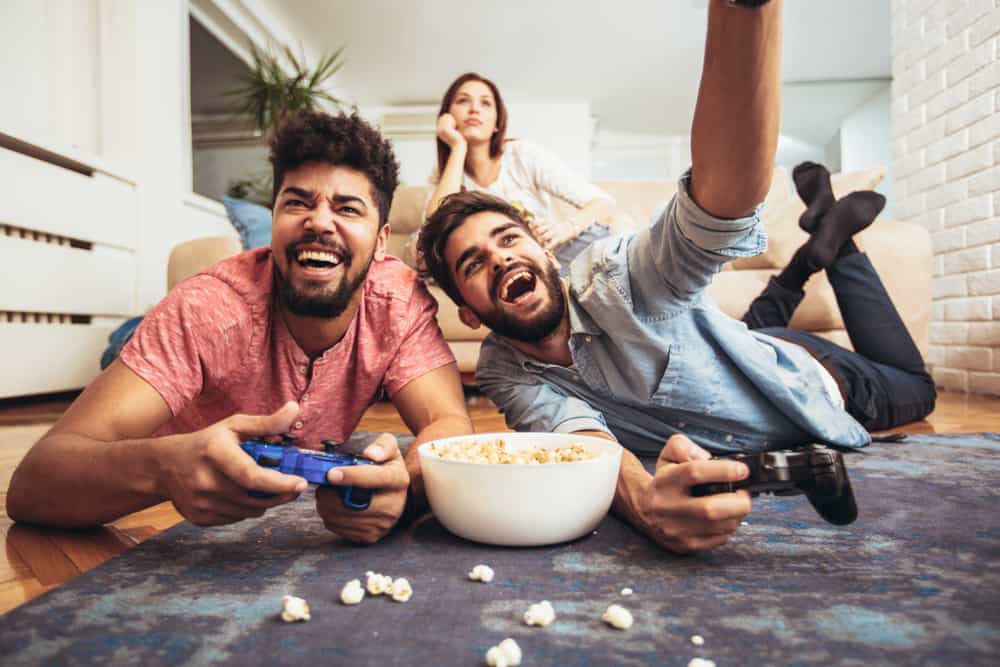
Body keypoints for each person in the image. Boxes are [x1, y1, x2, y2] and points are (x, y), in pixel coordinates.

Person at [417, 0, 935, 554]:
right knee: (743, 329)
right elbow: (583, 445)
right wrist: (645, 503)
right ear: (468, 313)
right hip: (745, 348)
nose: (498, 258)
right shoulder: (502, 367)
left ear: (548, 254)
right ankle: (813, 253)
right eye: (473, 263)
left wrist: (746, 12)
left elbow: (715, 212)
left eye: (510, 238)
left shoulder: (615, 277)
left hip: (820, 379)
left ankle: (839, 250)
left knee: (917, 388)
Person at [7, 111, 472, 544]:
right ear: (273, 220)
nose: (319, 221)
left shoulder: (399, 301)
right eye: (297, 202)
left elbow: (448, 422)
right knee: (127, 351)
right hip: (160, 416)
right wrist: (166, 467)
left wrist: (402, 488)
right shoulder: (208, 307)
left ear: (382, 240)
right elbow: (33, 484)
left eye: (348, 209)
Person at [421, 71, 616, 274]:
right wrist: (458, 147)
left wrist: (562, 230)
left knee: (602, 238)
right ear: (447, 117)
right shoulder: (446, 174)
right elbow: (435, 232)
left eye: (485, 103)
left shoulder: (522, 155)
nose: (474, 109)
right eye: (463, 101)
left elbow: (603, 202)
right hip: (495, 265)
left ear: (497, 123)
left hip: (547, 255)